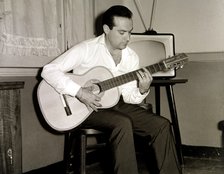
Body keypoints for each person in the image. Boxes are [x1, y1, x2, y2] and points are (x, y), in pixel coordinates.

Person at [41, 5, 182, 174]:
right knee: (122, 123)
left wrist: (142, 90)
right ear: (106, 29)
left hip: (114, 105)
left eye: (130, 32)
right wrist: (79, 92)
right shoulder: (86, 49)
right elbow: (48, 70)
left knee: (161, 125)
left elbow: (129, 97)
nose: (128, 38)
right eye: (122, 33)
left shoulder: (131, 57)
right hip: (83, 108)